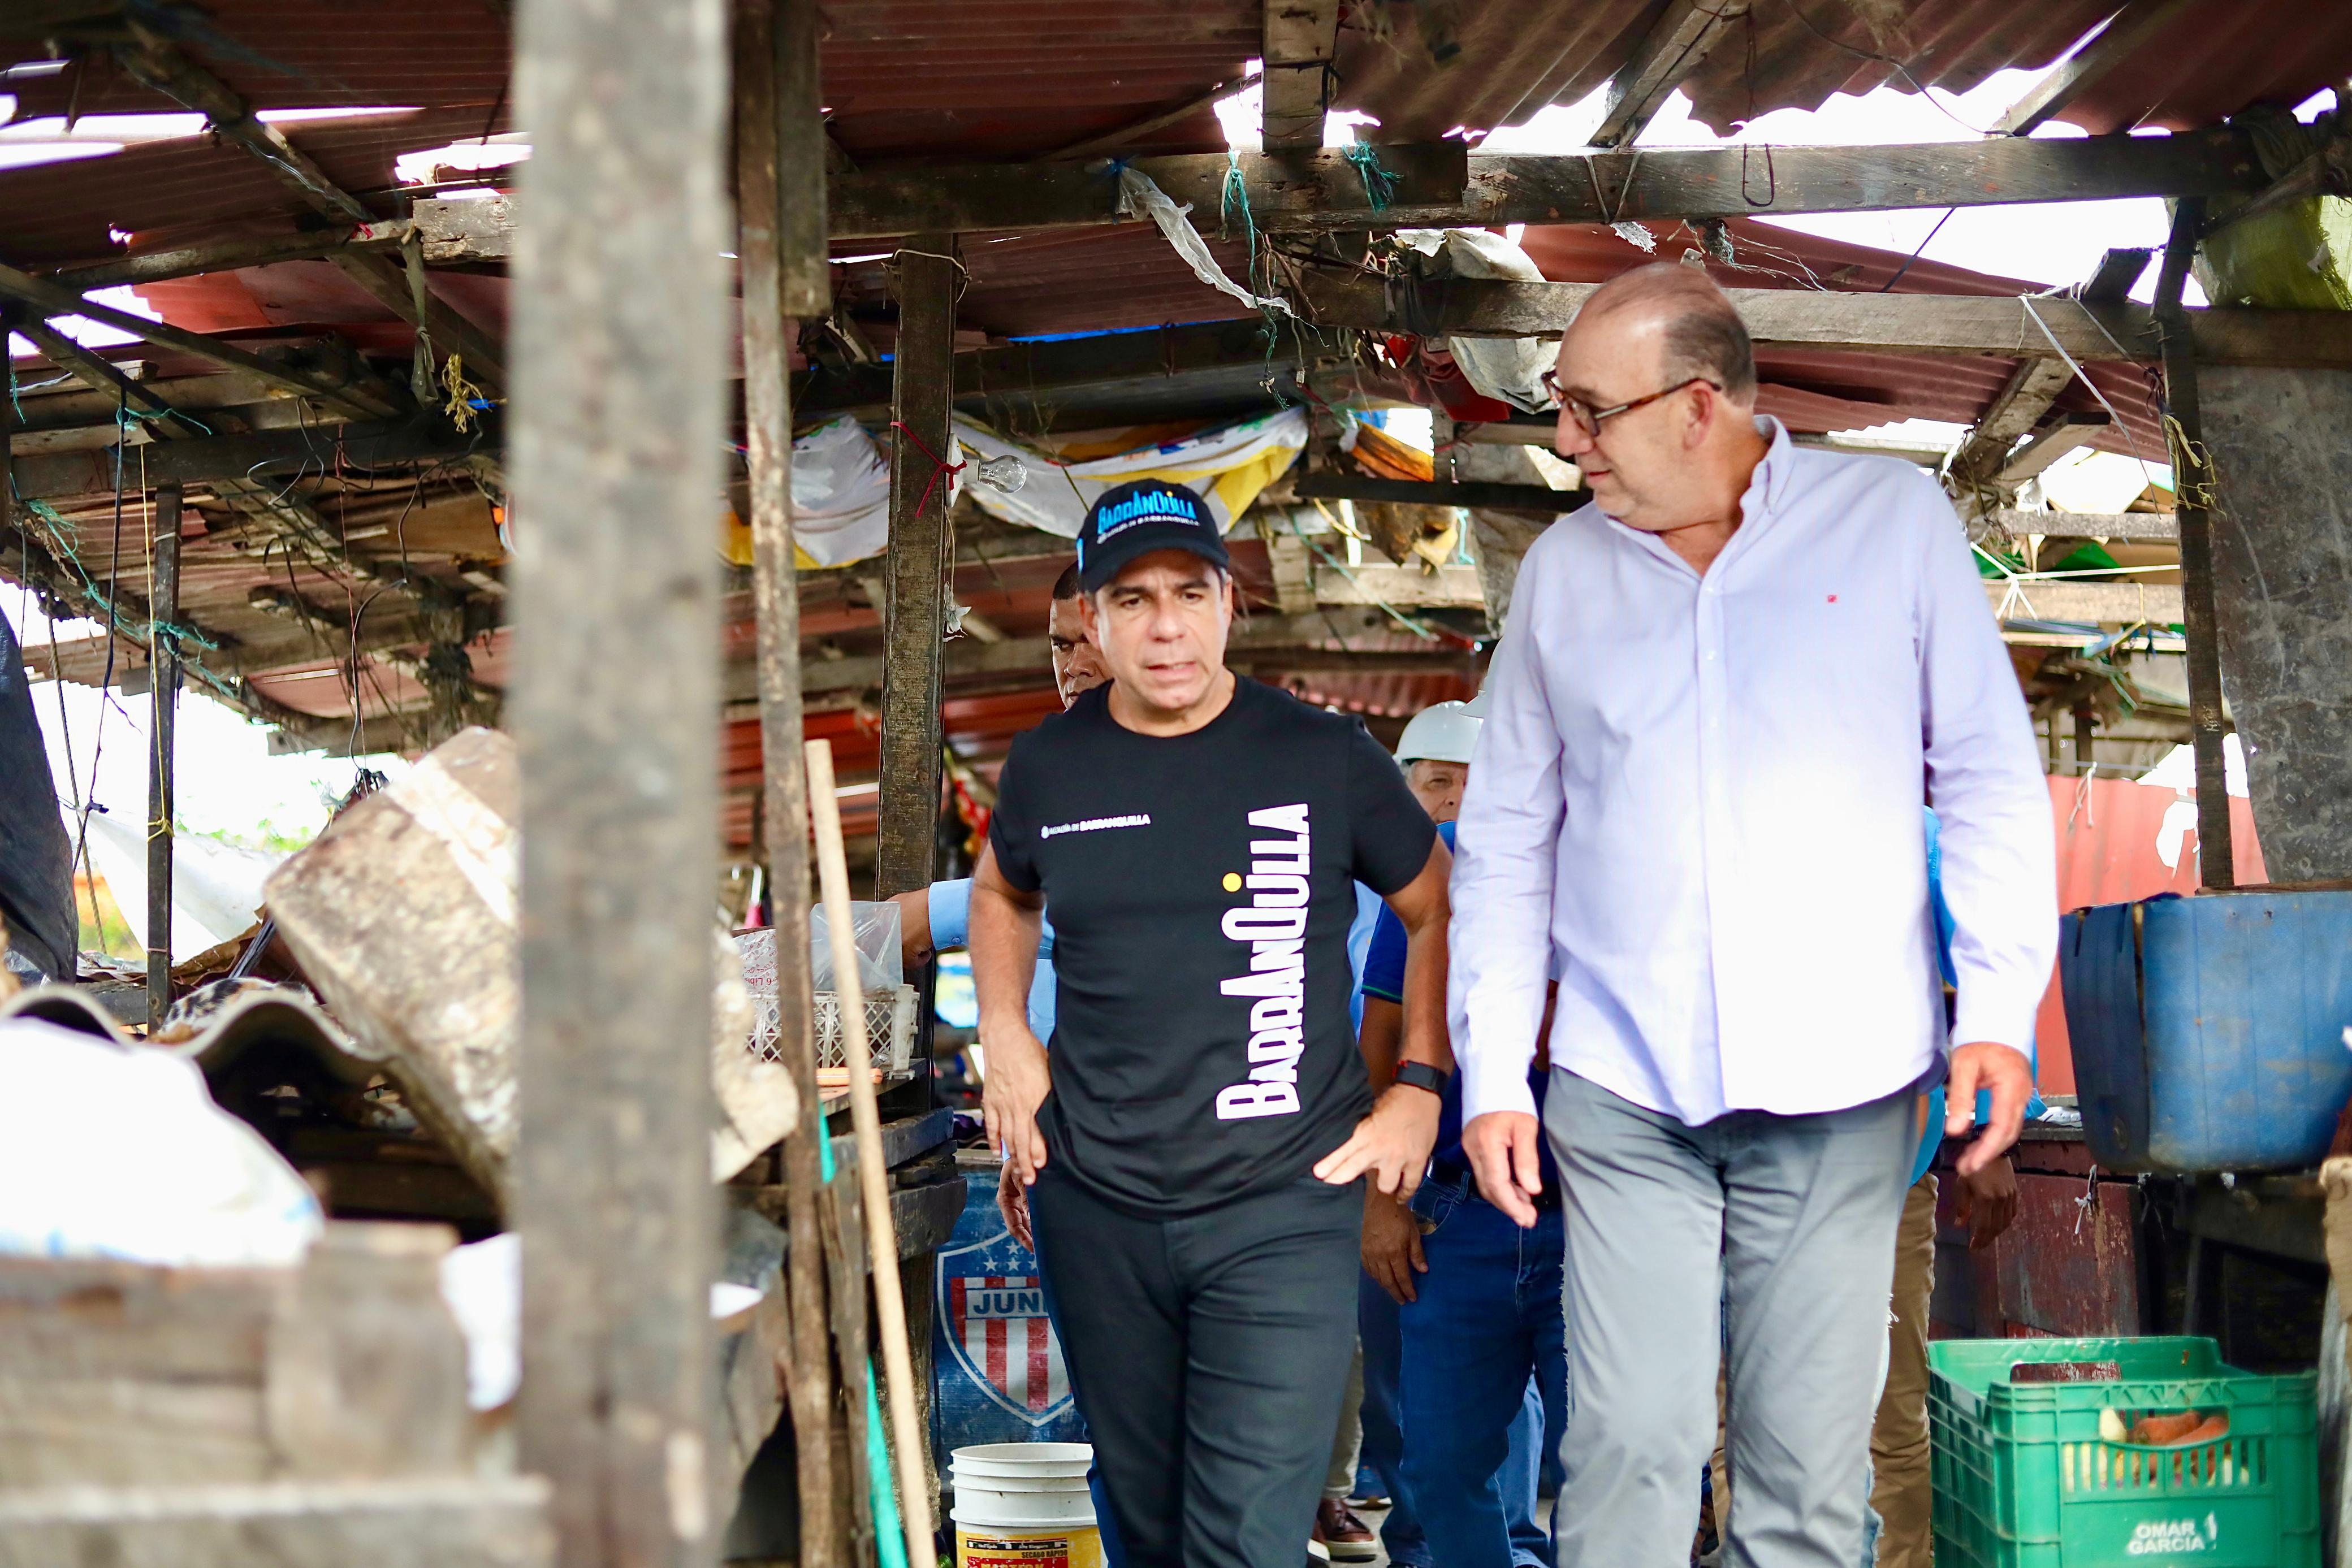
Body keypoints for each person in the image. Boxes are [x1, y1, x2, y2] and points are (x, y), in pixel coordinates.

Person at [1450, 263, 2055, 1568]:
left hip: (1846, 1087)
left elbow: (1989, 774)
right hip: (1622, 1085)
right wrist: (1493, 1069)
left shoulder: (1889, 523)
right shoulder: (1563, 574)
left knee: (1804, 1481)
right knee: (1633, 1444)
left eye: (1585, 409)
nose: (1564, 440)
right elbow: (1504, 839)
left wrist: (1998, 1011)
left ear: (1699, 405)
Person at [971, 478, 1453, 1568]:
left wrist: (1418, 1083)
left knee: (1245, 1535)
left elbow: (1437, 905)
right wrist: (1006, 1029)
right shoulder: (1053, 761)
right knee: (1144, 1522)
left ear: (1232, 601)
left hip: (1285, 1199)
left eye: (1190, 591)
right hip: (1098, 1202)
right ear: (1091, 619)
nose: (1166, 625)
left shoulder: (1325, 755)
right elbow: (1002, 890)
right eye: (1131, 599)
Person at [1360, 698, 1567, 1568]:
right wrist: (1386, 1200)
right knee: (1440, 1469)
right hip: (1456, 1210)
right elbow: (1381, 1044)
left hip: (1598, 1212)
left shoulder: (1617, 860)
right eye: (1446, 781)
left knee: (1613, 1459)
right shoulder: (1432, 873)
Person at [1318, 699, 1487, 1565]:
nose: (1453, 801)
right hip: (1352, 1154)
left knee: (1467, 1392)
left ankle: (1467, 1544)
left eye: (1471, 783)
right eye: (1437, 783)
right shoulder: (1346, 878)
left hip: (1467, 1169)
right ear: (1402, 785)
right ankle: (1408, 1535)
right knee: (1389, 1372)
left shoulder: (1483, 874)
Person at [893, 560, 1106, 1242]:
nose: (1073, 666)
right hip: (1054, 1141)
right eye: (1059, 645)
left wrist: (934, 912)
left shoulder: (1192, 776)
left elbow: (1072, 908)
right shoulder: (1046, 777)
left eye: (1088, 639)